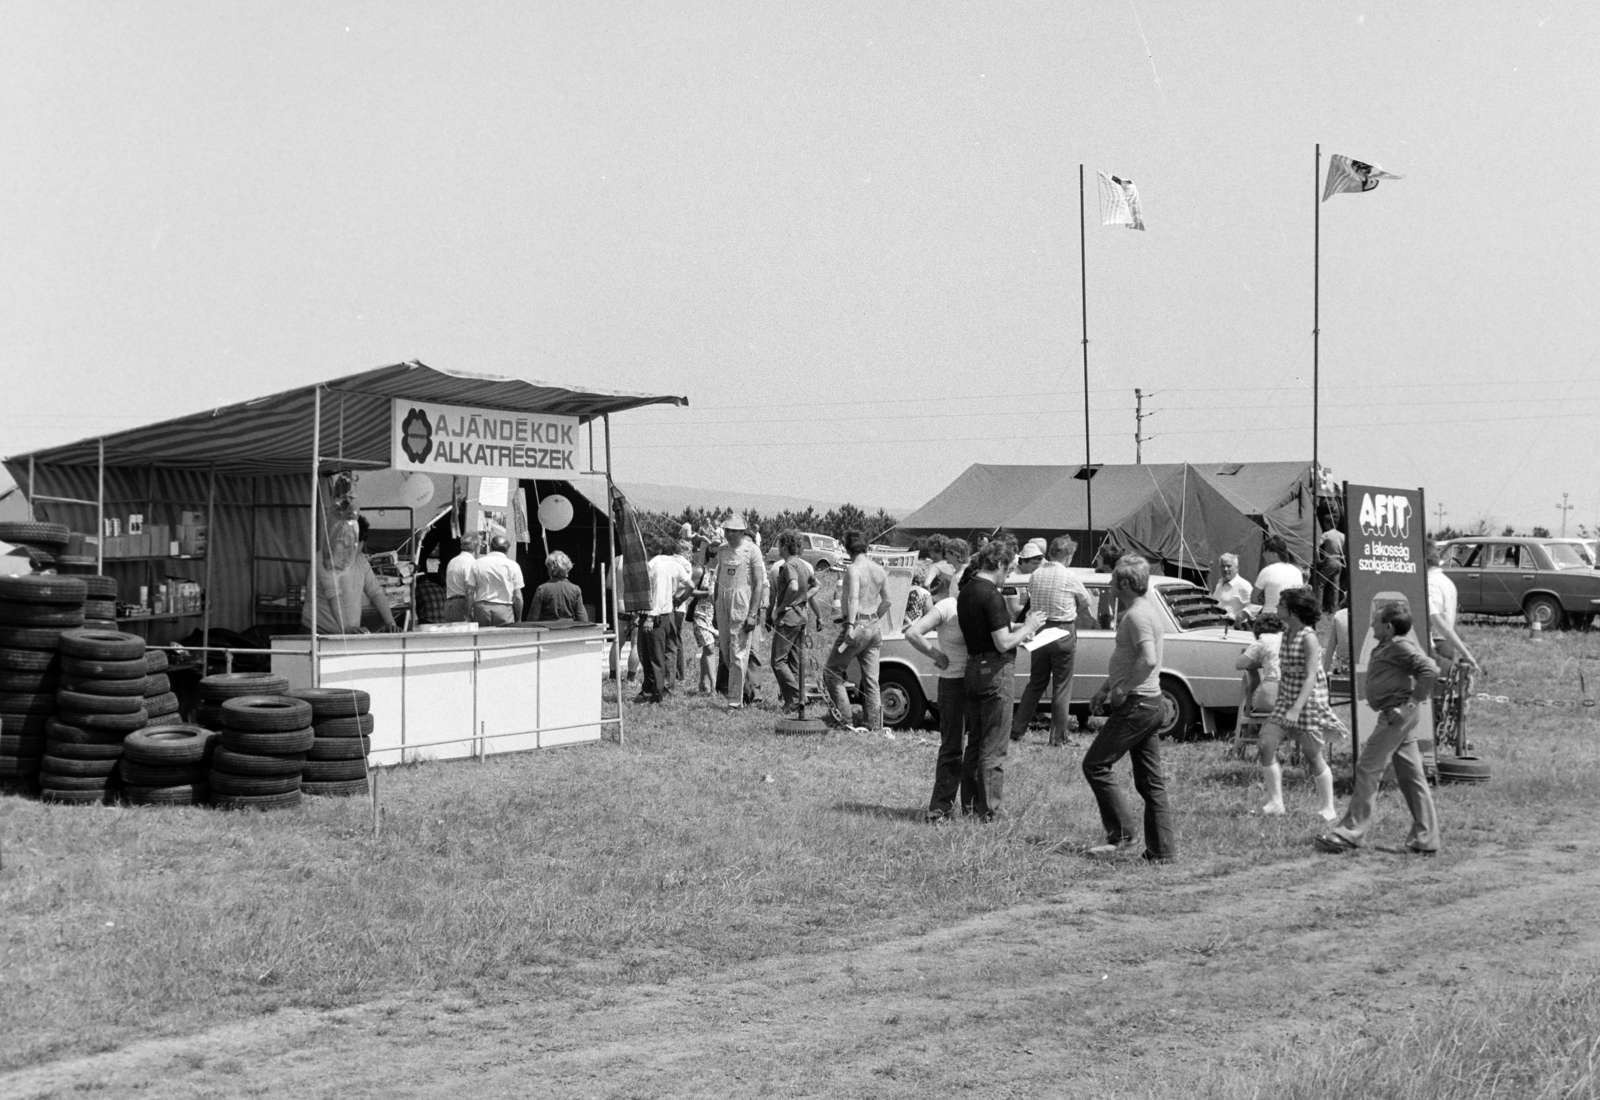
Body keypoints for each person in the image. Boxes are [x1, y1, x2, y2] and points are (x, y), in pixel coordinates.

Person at [1316, 602, 1441, 855]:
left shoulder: (1400, 646)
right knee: (1411, 776)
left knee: (1367, 767)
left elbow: (1430, 669)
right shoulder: (1388, 645)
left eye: (1376, 621)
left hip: (1397, 715)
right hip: (1396, 714)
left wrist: (1410, 704)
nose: (1371, 624)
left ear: (1389, 626)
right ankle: (1425, 839)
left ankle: (1351, 832)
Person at [1078, 555, 1175, 861]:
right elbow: (1131, 659)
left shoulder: (1136, 616)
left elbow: (1146, 660)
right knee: (1150, 781)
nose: (1108, 584)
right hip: (1150, 703)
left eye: (1112, 579)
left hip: (1138, 705)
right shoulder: (1142, 611)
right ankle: (1162, 852)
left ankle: (1122, 837)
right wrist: (1106, 688)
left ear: (1124, 583)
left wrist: (1121, 689)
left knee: (1095, 764)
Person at [957, 536, 1044, 820]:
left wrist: (1017, 629)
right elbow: (1003, 642)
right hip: (995, 671)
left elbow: (991, 630)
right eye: (1008, 569)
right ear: (1000, 564)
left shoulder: (968, 590)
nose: (1008, 575)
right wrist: (1028, 625)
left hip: (973, 668)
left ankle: (970, 807)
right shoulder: (991, 595)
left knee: (976, 742)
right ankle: (991, 811)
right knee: (994, 746)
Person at [1257, 586, 1344, 821]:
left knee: (1312, 755)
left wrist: (1296, 709)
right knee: (1266, 744)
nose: (1276, 608)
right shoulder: (1286, 634)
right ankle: (1276, 803)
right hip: (1285, 702)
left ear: (1293, 611)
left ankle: (1328, 807)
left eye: (1281, 605)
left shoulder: (1309, 637)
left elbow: (1310, 677)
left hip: (1307, 705)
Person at [1010, 535, 1092, 746]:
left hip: (1040, 629)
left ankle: (1017, 728)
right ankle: (1058, 736)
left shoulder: (1035, 575)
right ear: (1068, 555)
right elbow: (1085, 602)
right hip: (1063, 629)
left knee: (1036, 682)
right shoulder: (1070, 576)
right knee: (1062, 685)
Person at [904, 582, 971, 823]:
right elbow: (912, 633)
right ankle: (940, 808)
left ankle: (973, 809)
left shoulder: (978, 605)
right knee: (953, 747)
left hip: (977, 683)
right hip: (953, 682)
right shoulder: (948, 606)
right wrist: (937, 655)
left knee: (975, 749)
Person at [823, 531, 893, 731]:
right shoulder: (879, 570)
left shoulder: (853, 569)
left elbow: (853, 598)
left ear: (846, 548)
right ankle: (875, 724)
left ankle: (844, 720)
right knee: (872, 681)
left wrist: (851, 626)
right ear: (866, 546)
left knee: (832, 671)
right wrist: (874, 620)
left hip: (857, 626)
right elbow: (887, 601)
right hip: (873, 627)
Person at [302, 514, 398, 634]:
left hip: (347, 634)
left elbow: (375, 592)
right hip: (318, 632)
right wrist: (346, 628)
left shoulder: (360, 559)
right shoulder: (324, 558)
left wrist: (391, 623)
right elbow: (333, 595)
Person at [712, 515, 767, 709]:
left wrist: (753, 613)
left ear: (742, 532)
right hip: (723, 604)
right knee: (726, 653)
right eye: (727, 531)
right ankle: (741, 691)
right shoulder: (722, 551)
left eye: (734, 531)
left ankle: (735, 701)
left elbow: (759, 583)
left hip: (742, 604)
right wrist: (715, 608)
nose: (730, 535)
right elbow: (718, 579)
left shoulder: (753, 551)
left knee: (739, 653)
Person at [767, 530, 820, 714]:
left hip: (788, 619)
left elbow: (793, 586)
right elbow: (816, 585)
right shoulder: (803, 565)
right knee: (795, 664)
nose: (778, 548)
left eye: (779, 544)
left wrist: (781, 607)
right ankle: (793, 702)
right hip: (801, 618)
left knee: (778, 662)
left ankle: (799, 695)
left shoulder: (789, 565)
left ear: (785, 546)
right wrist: (803, 599)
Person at [637, 536, 693, 703]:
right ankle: (663, 689)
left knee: (653, 655)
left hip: (657, 616)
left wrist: (649, 618)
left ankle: (656, 693)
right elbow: (690, 585)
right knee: (667, 652)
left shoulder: (657, 567)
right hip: (669, 613)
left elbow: (659, 595)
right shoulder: (673, 564)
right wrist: (680, 599)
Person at [470, 535, 524, 627]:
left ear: (490, 547)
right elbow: (517, 596)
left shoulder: (477, 563)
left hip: (482, 609)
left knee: (482, 640)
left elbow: (470, 591)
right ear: (507, 550)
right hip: (504, 610)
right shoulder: (513, 565)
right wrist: (518, 619)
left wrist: (468, 613)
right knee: (504, 639)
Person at [1237, 614, 1284, 715]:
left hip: (1272, 695)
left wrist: (1257, 661)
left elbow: (1239, 664)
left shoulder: (1264, 639)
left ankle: (1257, 729)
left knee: (1260, 704)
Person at [1251, 535, 1304, 617]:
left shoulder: (1266, 571)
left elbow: (1253, 598)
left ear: (1274, 554)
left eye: (1265, 551)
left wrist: (1266, 601)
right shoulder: (1297, 572)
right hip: (1292, 617)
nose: (1263, 555)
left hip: (1270, 616)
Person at [528, 550, 588, 622]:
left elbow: (532, 618)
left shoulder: (542, 589)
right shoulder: (575, 589)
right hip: (569, 630)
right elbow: (582, 618)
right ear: (567, 568)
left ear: (550, 569)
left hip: (548, 630)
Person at [669, 539, 694, 686]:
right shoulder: (685, 563)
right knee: (676, 639)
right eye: (690, 550)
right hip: (678, 605)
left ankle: (674, 673)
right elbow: (686, 583)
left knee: (670, 639)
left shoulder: (668, 561)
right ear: (683, 550)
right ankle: (679, 674)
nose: (691, 554)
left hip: (669, 604)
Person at [1211, 552, 1252, 623]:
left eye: (1229, 566)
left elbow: (1255, 604)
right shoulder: (1219, 585)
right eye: (1223, 566)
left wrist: (1240, 617)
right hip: (1217, 627)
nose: (1225, 569)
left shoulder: (1243, 584)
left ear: (1237, 568)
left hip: (1233, 629)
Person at [442, 540, 477, 622]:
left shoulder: (452, 561)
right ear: (477, 548)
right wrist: (468, 613)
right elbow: (469, 590)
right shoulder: (470, 562)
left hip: (449, 604)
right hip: (462, 604)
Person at [1318, 521, 1348, 614]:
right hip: (1338, 562)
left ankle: (1318, 609)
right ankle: (1333, 610)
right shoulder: (1342, 535)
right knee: (1335, 587)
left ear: (1327, 524)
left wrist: (1318, 559)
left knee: (1320, 585)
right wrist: (1344, 557)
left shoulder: (1327, 534)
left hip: (1329, 561)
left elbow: (1316, 546)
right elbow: (1347, 548)